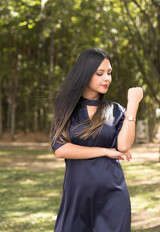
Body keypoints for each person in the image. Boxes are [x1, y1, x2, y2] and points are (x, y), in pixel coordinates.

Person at [50, 48, 143, 232]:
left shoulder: (116, 111)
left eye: (109, 73)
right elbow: (60, 149)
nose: (107, 78)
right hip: (76, 196)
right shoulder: (66, 109)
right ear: (85, 74)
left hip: (113, 194)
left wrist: (132, 105)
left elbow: (123, 146)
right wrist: (105, 151)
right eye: (99, 73)